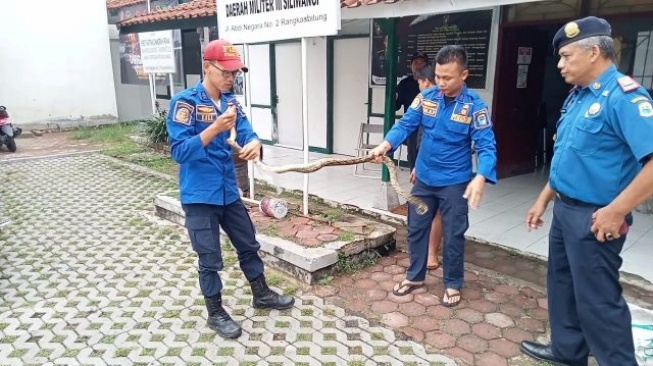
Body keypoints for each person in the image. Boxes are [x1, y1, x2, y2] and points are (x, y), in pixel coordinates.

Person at [521, 16, 653, 366]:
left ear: (594, 52)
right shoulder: (577, 97)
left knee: (598, 300)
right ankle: (567, 352)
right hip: (566, 210)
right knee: (561, 285)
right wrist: (543, 198)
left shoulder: (624, 97)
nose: (560, 65)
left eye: (566, 56)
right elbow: (567, 156)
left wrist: (616, 210)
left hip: (597, 217)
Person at [166, 39, 294, 340]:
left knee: (248, 243)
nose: (231, 78)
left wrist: (254, 143)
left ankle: (261, 294)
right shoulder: (185, 103)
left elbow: (248, 133)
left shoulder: (232, 103)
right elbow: (179, 152)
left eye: (235, 73)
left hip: (228, 191)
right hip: (200, 195)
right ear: (207, 67)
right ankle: (215, 313)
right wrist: (214, 129)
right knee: (209, 258)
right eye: (225, 72)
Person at [370, 45, 498, 307]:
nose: (441, 82)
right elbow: (405, 124)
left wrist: (481, 176)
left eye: (447, 78)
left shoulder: (476, 107)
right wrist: (386, 144)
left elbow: (487, 147)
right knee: (416, 229)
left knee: (453, 234)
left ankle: (452, 283)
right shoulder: (427, 97)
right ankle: (415, 276)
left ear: (464, 75)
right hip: (425, 180)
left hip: (454, 182)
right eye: (438, 76)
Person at [411, 66, 444, 270]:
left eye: (419, 84)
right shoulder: (423, 102)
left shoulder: (442, 102)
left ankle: (431, 254)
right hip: (424, 165)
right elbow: (408, 126)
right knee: (420, 210)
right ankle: (421, 257)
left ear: (425, 81)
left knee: (438, 212)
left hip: (443, 168)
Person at [396, 52, 429, 171]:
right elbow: (396, 105)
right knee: (413, 156)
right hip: (412, 126)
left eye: (422, 63)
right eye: (416, 63)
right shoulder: (405, 84)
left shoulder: (435, 83)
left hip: (430, 126)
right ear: (411, 66)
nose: (418, 65)